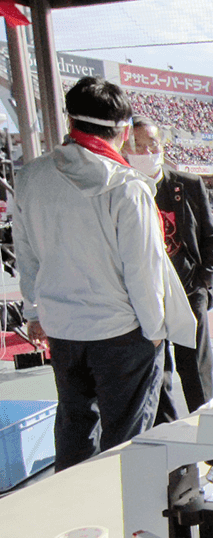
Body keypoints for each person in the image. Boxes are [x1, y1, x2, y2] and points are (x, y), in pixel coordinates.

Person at [13, 76, 195, 471]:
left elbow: (26, 257)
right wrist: (155, 332)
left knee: (75, 427)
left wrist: (34, 313)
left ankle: (74, 516)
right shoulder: (127, 186)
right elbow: (143, 272)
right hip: (120, 332)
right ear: (123, 130)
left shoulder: (29, 178)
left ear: (70, 122)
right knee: (127, 439)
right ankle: (120, 514)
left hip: (63, 329)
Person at [122, 117, 213, 424]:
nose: (147, 150)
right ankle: (166, 431)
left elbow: (211, 237)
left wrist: (204, 283)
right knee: (155, 369)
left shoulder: (187, 184)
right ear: (125, 147)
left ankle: (208, 428)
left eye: (153, 143)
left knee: (195, 367)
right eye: (139, 145)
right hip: (144, 296)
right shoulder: (122, 188)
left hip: (189, 290)